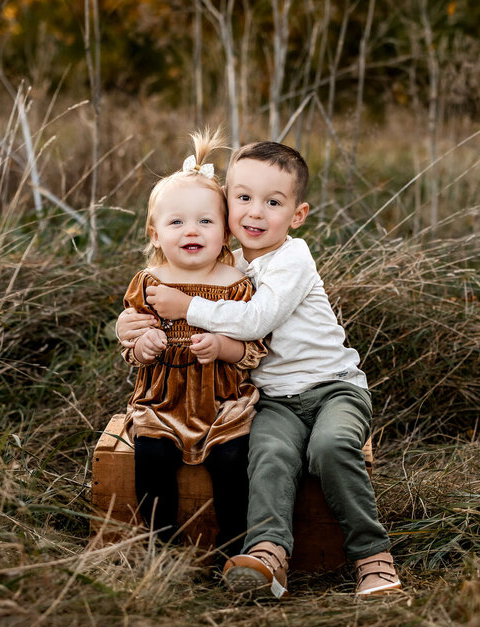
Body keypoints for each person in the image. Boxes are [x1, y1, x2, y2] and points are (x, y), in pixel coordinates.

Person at [118, 141, 401, 598]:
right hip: (273, 401)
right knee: (267, 457)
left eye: (273, 202)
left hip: (333, 388)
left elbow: (257, 320)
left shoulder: (292, 258)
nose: (255, 212)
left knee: (330, 448)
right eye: (243, 199)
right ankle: (268, 556)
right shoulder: (229, 265)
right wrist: (128, 324)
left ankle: (372, 556)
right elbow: (156, 294)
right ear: (226, 204)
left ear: (297, 214)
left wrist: (188, 306)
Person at [119, 130, 266, 558]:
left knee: (232, 462)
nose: (192, 231)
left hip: (222, 402)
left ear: (225, 233)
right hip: (161, 402)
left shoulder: (236, 284)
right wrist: (142, 346)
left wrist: (223, 347)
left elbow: (255, 348)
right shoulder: (149, 282)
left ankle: (232, 545)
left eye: (206, 221)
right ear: (155, 233)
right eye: (177, 222)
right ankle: (161, 546)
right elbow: (132, 339)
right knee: (151, 459)